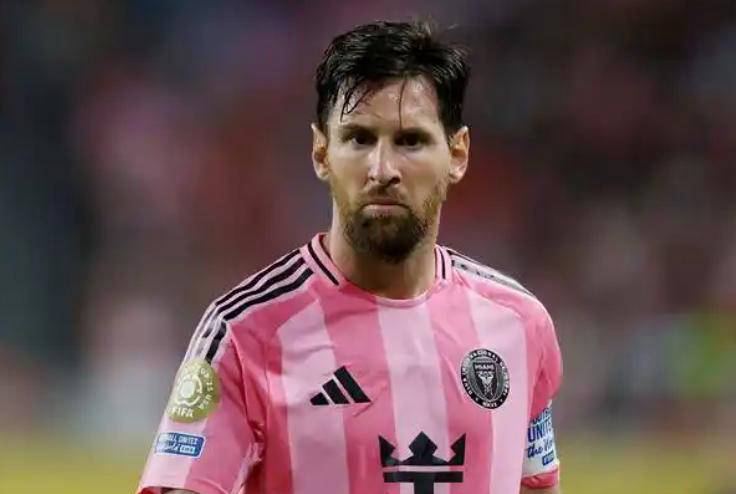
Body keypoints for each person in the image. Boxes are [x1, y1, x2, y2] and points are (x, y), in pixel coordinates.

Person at [138, 20, 563, 494]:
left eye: (410, 141)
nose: (383, 169)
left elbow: (536, 485)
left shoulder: (518, 325)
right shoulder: (244, 333)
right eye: (359, 139)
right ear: (321, 153)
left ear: (457, 153)